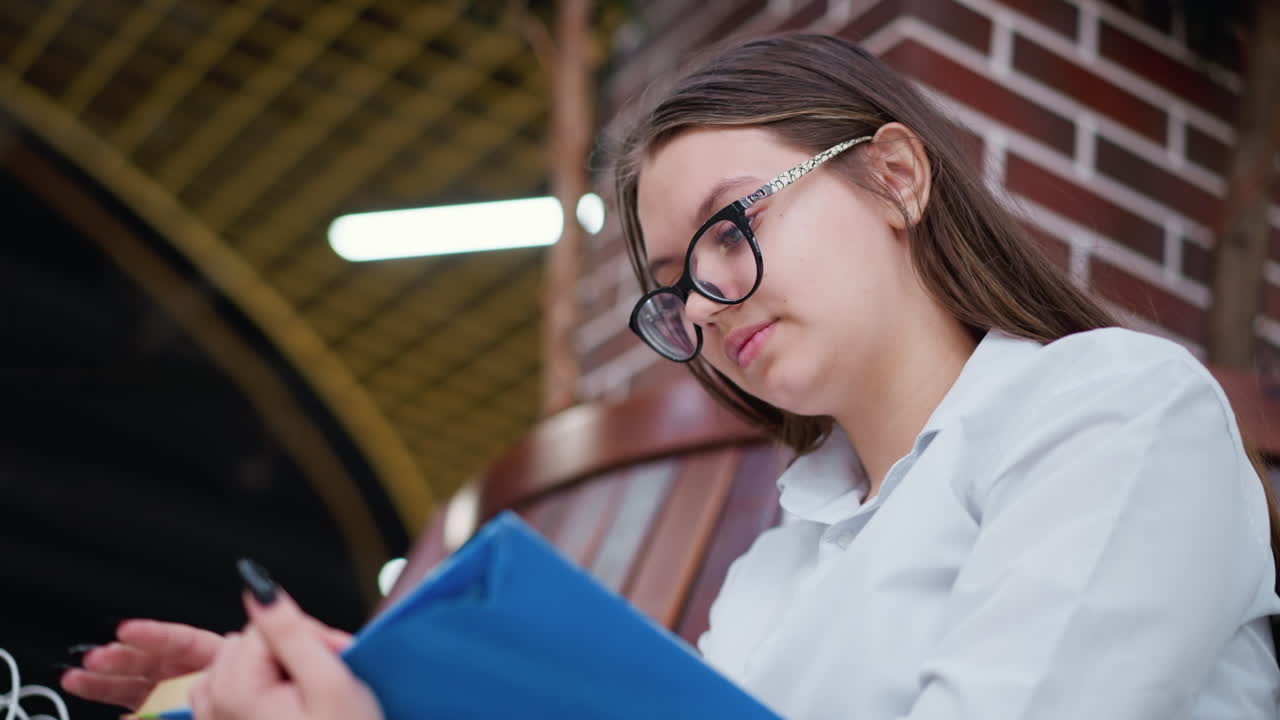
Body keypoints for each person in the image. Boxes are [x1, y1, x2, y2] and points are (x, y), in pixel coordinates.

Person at [61, 31, 1280, 719]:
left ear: (897, 177)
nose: (699, 302)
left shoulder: (1113, 410)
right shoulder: (779, 560)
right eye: (672, 286)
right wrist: (371, 689)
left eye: (727, 229)